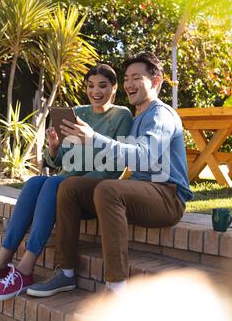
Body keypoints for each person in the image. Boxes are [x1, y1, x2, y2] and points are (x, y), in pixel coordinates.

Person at [27, 52, 193, 297]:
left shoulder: (160, 115)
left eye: (137, 77)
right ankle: (65, 273)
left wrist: (94, 138)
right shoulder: (137, 117)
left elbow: (144, 156)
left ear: (156, 81)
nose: (129, 84)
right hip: (142, 192)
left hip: (168, 196)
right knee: (70, 186)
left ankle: (116, 287)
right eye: (127, 78)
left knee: (108, 189)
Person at [0, 64, 133, 300]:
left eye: (103, 86)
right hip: (62, 187)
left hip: (90, 193)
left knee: (54, 184)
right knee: (35, 182)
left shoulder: (122, 115)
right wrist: (54, 149)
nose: (96, 91)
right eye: (91, 85)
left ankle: (25, 269)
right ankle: (0, 264)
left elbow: (116, 166)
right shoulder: (79, 112)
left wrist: (71, 180)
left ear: (114, 89)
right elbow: (59, 162)